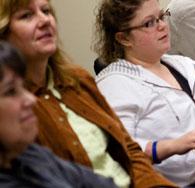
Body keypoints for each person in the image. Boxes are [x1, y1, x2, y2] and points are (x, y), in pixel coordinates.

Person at [0, 0, 176, 187]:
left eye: (46, 11)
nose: (45, 20)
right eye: (26, 16)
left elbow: (129, 149)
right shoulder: (16, 112)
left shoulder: (78, 79)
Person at [95, 0, 195, 187]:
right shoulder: (114, 85)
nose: (162, 26)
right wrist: (173, 145)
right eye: (149, 23)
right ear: (124, 38)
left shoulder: (178, 64)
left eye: (161, 17)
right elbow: (118, 150)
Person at [0, 41, 117, 188]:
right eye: (11, 91)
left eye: (23, 87)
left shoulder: (31, 155)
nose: (31, 99)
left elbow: (103, 184)